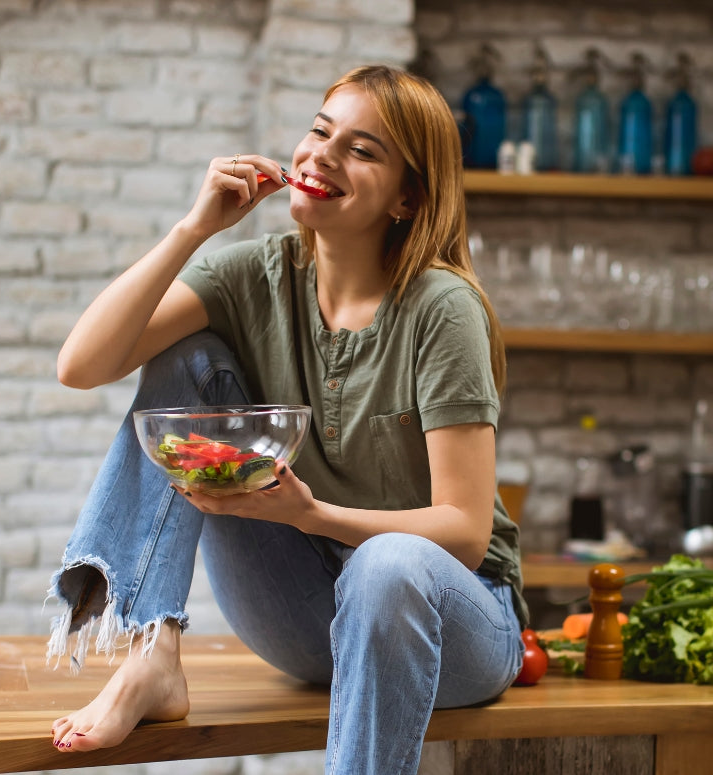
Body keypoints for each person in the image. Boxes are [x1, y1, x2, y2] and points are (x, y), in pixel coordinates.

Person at [46, 64, 529, 775]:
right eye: (319, 132)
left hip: (455, 623)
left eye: (361, 150)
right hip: (304, 615)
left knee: (386, 564)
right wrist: (193, 229)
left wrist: (312, 515)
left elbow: (463, 532)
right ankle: (152, 653)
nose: (321, 156)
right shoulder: (251, 274)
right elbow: (81, 365)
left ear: (407, 198)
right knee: (187, 360)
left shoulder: (441, 308)